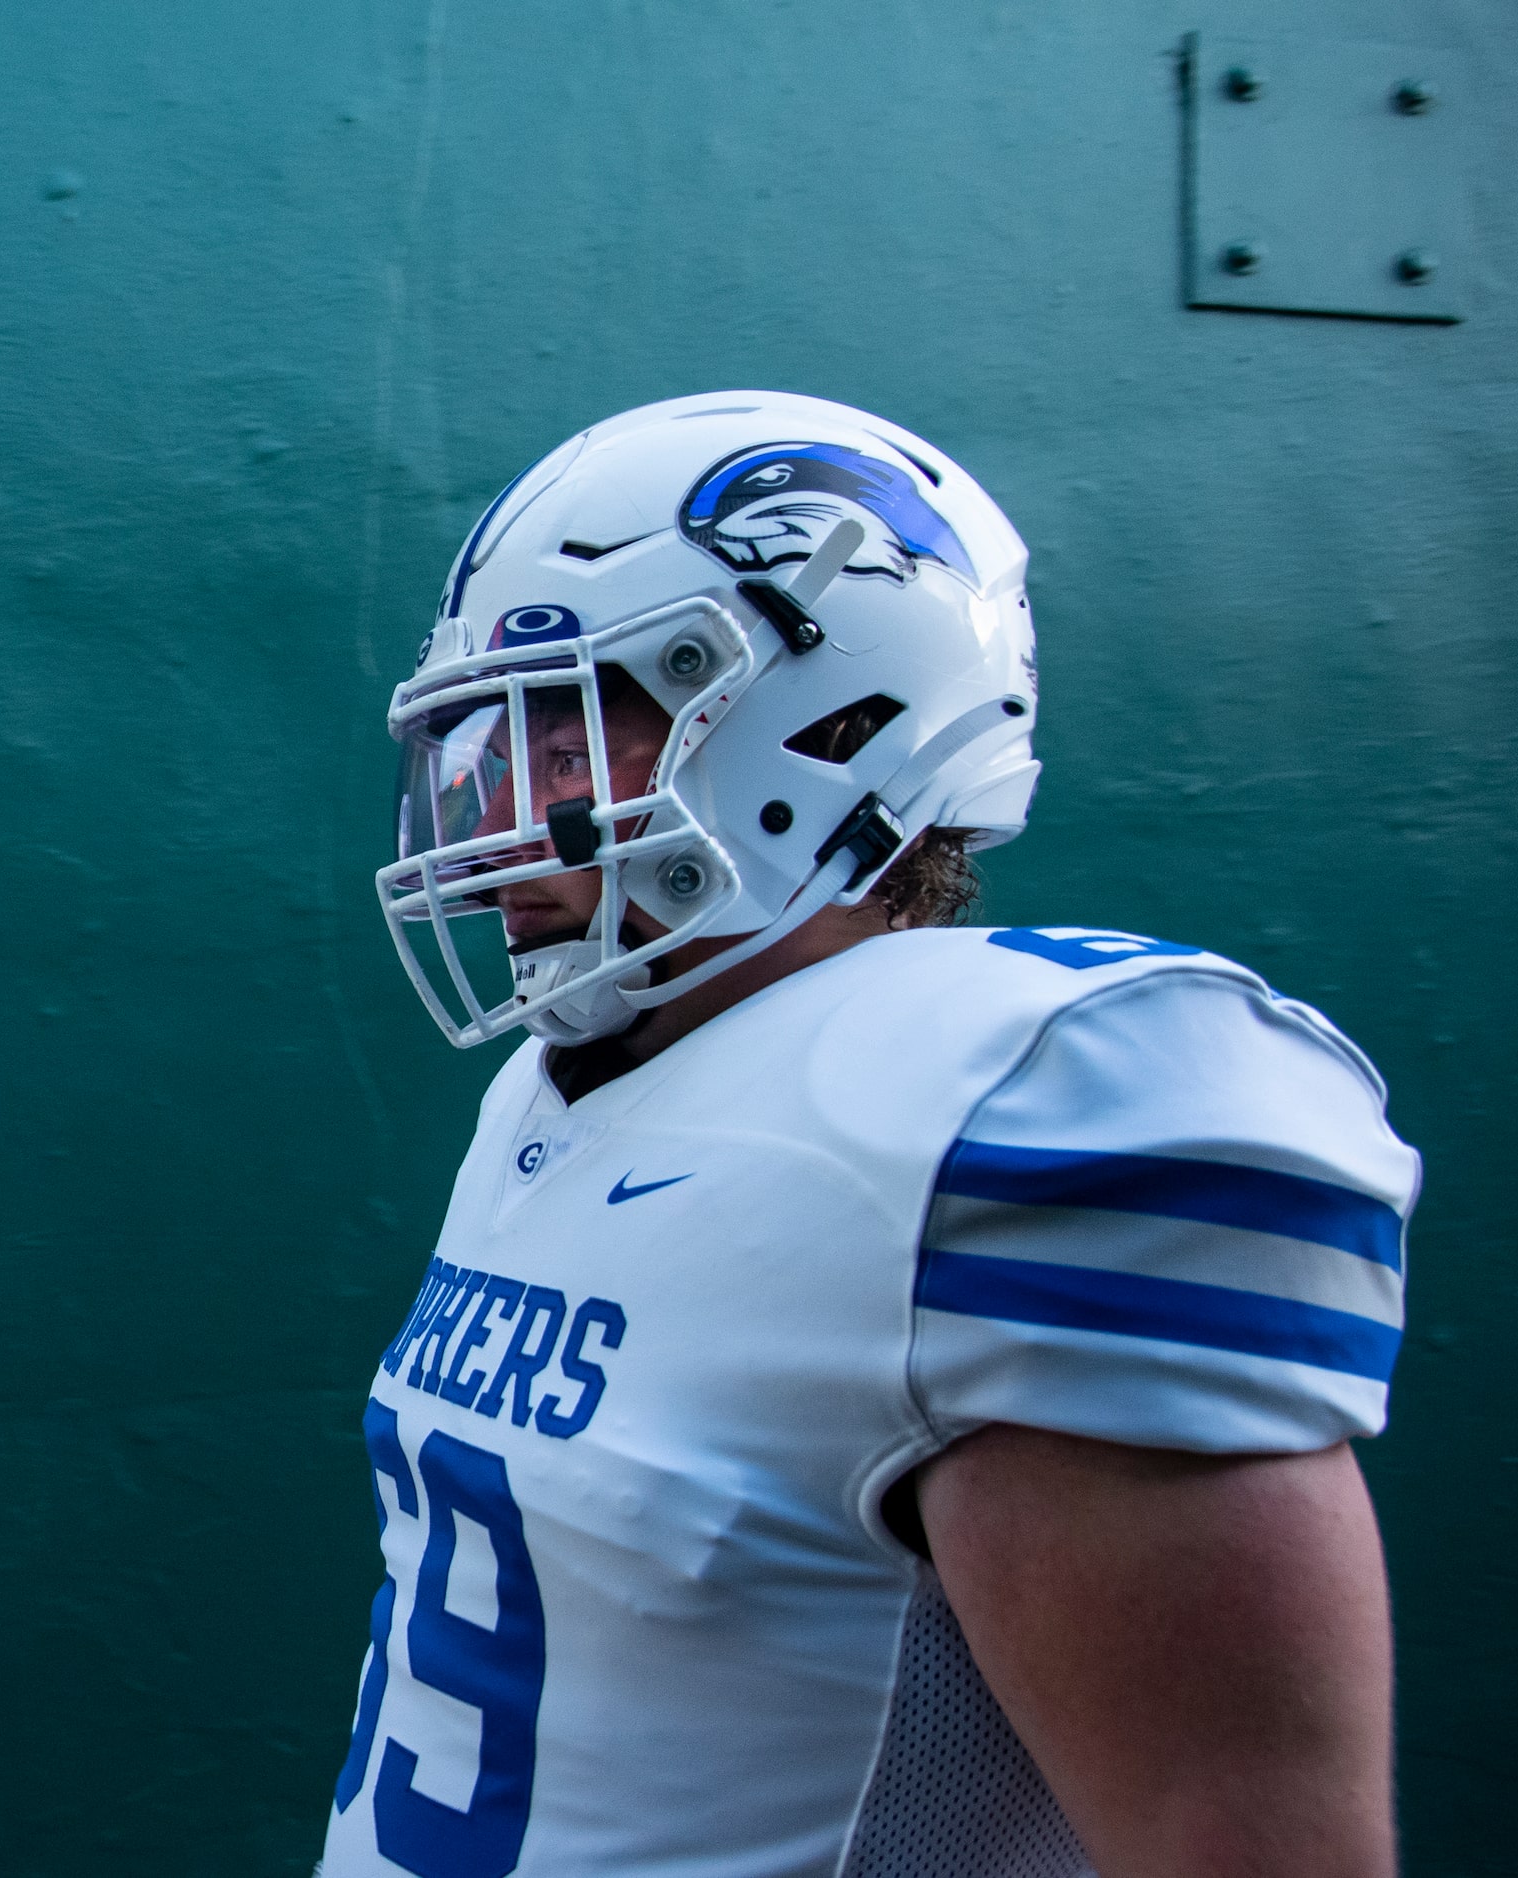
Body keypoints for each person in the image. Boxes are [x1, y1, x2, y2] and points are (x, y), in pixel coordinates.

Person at [323, 395, 1415, 1878]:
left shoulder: (1022, 1101)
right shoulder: (552, 1089)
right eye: (483, 748)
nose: (506, 812)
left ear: (831, 720)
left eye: (575, 731)